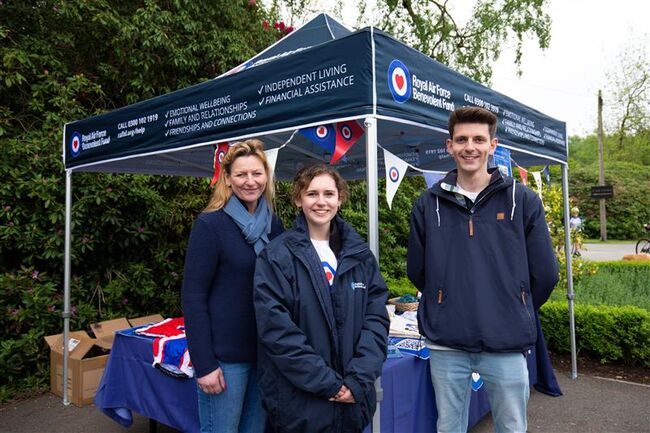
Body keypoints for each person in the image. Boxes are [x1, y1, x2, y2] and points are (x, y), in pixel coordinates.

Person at [407, 106, 559, 433]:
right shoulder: (427, 204)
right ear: (449, 146)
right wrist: (444, 303)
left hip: (505, 342)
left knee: (511, 427)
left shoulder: (522, 200)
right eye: (461, 140)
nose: (470, 147)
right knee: (449, 427)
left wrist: (513, 308)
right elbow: (418, 271)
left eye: (479, 139)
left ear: (493, 145)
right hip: (447, 342)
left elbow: (546, 273)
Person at [253, 164, 389, 433]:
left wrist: (357, 380)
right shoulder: (277, 256)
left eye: (329, 193)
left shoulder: (359, 254)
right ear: (297, 199)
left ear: (340, 198)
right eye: (312, 194)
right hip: (299, 407)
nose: (321, 201)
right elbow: (277, 332)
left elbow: (375, 320)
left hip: (351, 404)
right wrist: (329, 384)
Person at [182, 139, 284, 433]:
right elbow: (194, 297)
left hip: (264, 354)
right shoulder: (210, 225)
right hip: (225, 361)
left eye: (257, 173)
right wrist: (205, 364)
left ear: (267, 176)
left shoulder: (274, 226)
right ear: (227, 178)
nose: (250, 182)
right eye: (241, 174)